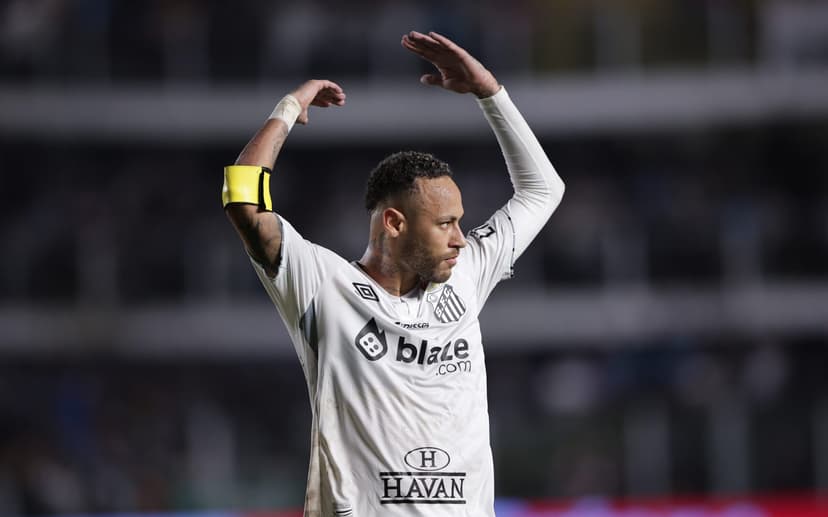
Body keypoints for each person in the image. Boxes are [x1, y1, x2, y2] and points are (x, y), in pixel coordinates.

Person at [223, 30, 564, 517]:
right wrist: (286, 109)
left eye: (460, 222)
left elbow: (543, 191)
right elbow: (243, 202)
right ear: (395, 223)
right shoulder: (324, 285)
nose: (461, 238)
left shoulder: (466, 275)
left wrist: (490, 93)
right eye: (445, 223)